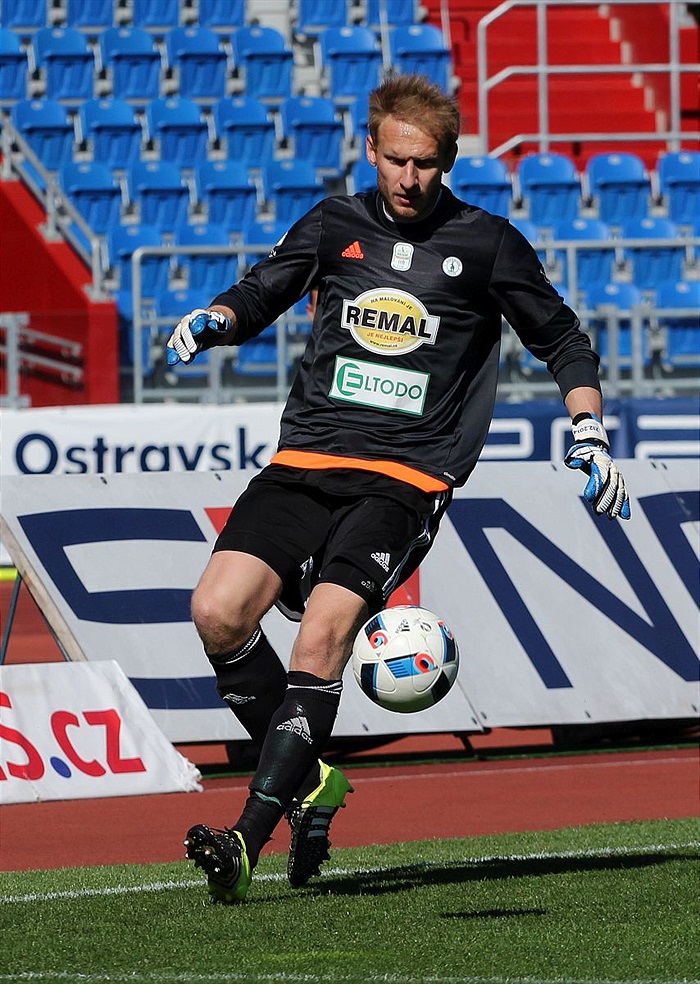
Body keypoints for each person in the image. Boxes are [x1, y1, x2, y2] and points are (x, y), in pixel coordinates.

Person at [166, 74, 631, 904]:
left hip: (406, 478)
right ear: (372, 150)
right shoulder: (333, 224)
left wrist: (589, 429)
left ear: (446, 160)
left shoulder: (487, 244)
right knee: (217, 611)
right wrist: (216, 320)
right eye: (394, 160)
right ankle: (313, 780)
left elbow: (562, 339)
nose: (408, 179)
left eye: (425, 164)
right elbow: (265, 288)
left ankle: (244, 839)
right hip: (305, 461)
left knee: (322, 635)